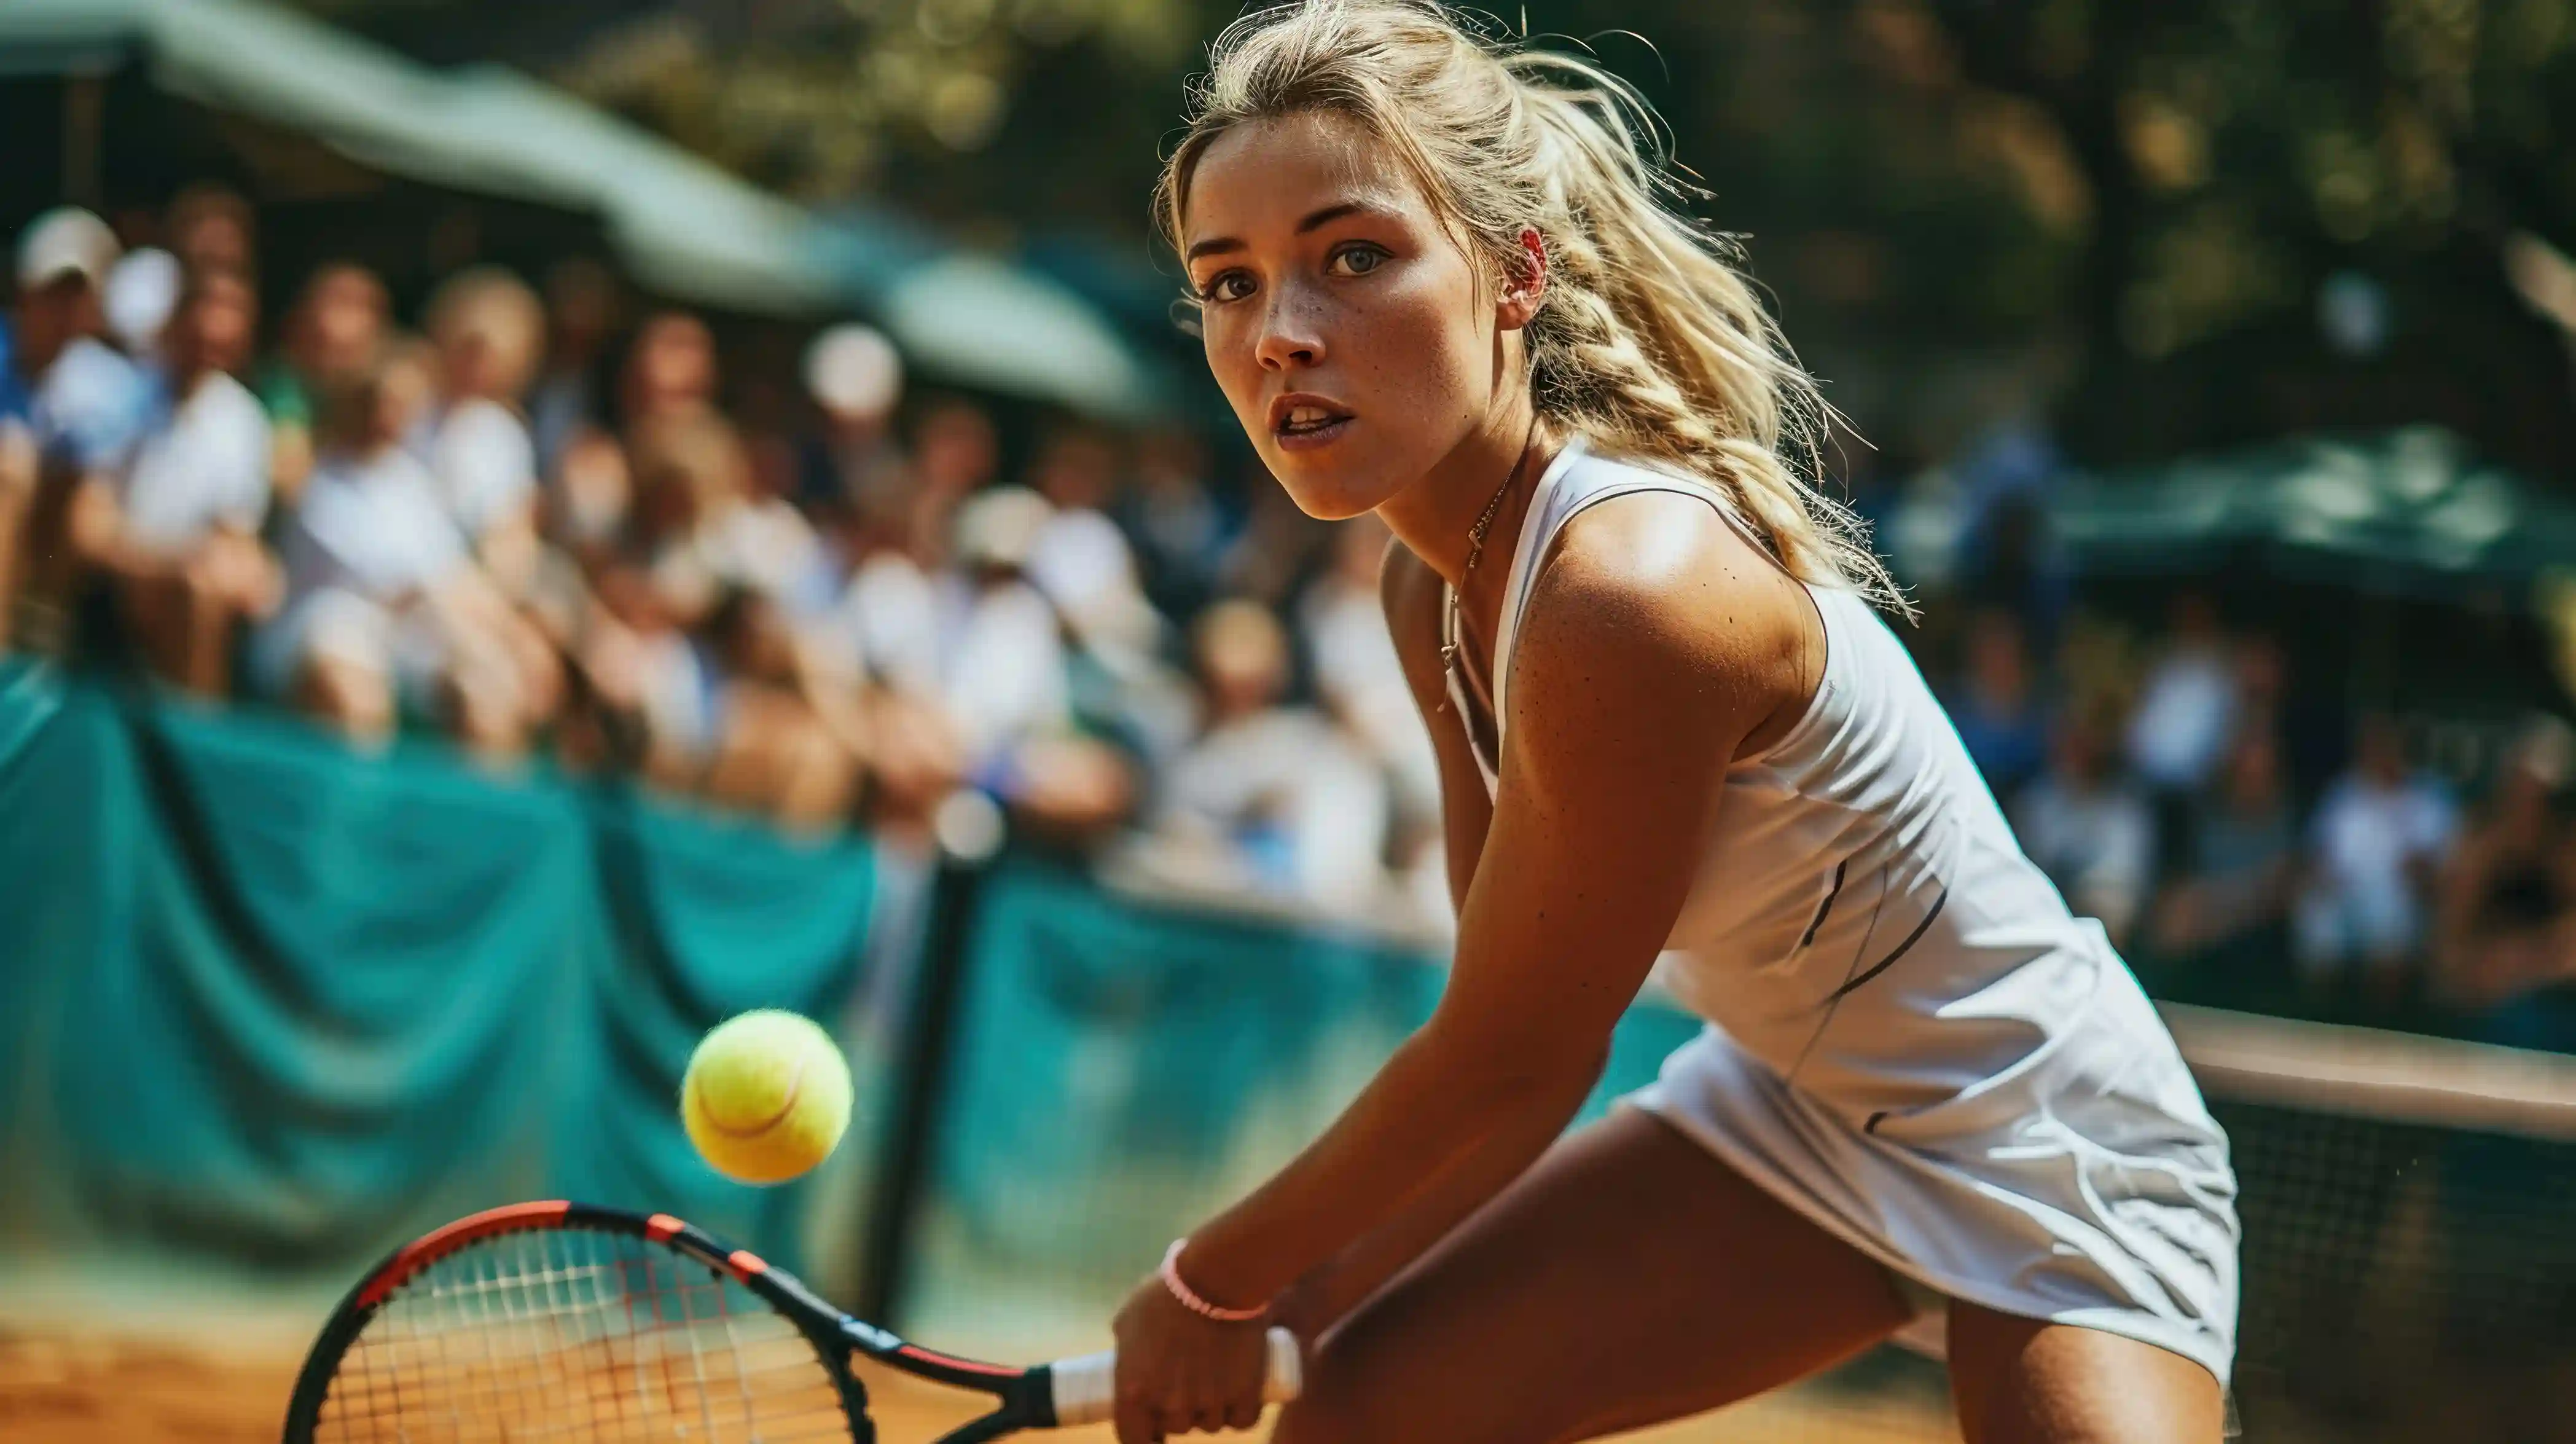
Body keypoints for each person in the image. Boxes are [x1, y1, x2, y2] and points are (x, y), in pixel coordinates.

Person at [1105, 6, 2238, 1443]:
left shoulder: (1626, 590)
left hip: (2046, 1130)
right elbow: (1501, 1053)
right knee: (1353, 1417)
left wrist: (1210, 1281)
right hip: (1792, 1107)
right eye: (1228, 281)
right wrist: (1307, 1300)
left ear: (1515, 274)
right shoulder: (1430, 590)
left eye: (1354, 257)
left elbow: (1516, 1056)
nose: (1281, 332)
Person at [66, 267, 281, 696]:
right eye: (199, 327)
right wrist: (171, 566)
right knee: (196, 587)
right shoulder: (121, 395)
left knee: (210, 589)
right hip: (106, 598)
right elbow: (86, 533)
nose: (209, 341)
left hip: (187, 596)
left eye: (223, 334)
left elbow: (234, 542)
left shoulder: (244, 421)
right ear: (175, 322)